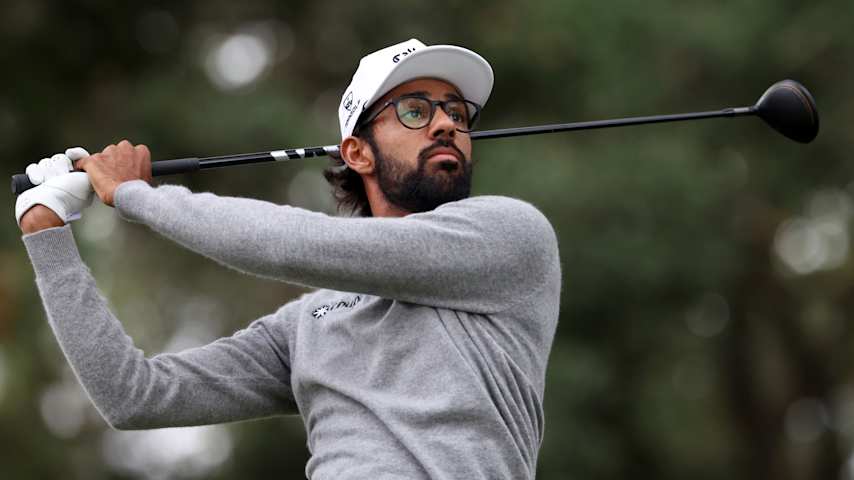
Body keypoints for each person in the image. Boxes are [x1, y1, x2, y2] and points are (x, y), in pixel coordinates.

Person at [16, 38, 561, 479]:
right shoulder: (308, 326)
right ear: (356, 151)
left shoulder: (510, 237)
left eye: (457, 113)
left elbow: (298, 245)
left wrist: (136, 196)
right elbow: (135, 397)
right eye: (415, 110)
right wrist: (47, 236)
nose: (446, 125)